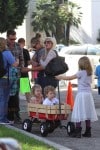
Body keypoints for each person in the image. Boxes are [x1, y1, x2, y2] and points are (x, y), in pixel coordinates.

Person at [56, 56, 98, 138]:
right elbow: (85, 83)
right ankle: (88, 131)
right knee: (87, 112)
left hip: (81, 95)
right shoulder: (89, 72)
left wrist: (60, 77)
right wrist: (77, 85)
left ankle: (78, 131)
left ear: (81, 64)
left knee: (79, 112)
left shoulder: (80, 72)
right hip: (88, 95)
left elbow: (70, 77)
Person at [6, 30, 33, 124]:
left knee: (18, 95)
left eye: (15, 39)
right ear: (7, 37)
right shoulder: (4, 46)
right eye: (11, 39)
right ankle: (7, 114)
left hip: (19, 74)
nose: (13, 41)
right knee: (7, 95)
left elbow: (23, 60)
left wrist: (21, 68)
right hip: (6, 75)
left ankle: (16, 115)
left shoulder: (20, 47)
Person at [0, 37, 18, 124]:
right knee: (4, 99)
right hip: (5, 78)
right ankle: (2, 119)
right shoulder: (6, 53)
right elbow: (14, 64)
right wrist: (17, 61)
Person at [18, 38, 31, 102]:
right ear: (23, 43)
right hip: (24, 72)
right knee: (26, 91)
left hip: (16, 72)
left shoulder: (15, 50)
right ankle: (30, 105)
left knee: (16, 91)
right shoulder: (25, 51)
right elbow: (28, 62)